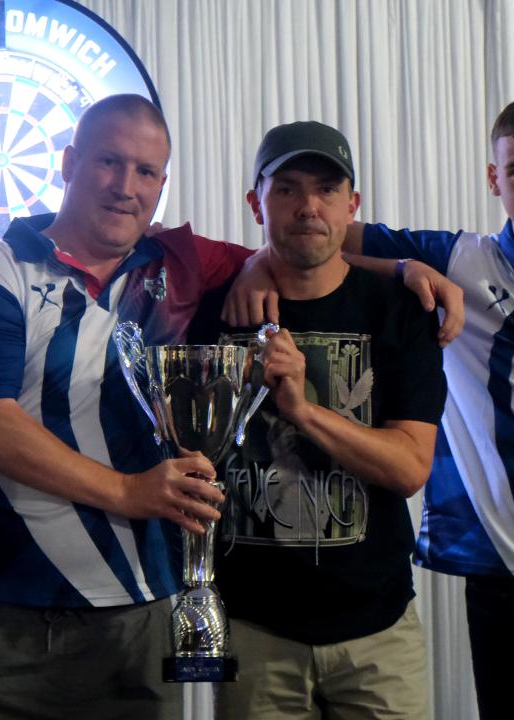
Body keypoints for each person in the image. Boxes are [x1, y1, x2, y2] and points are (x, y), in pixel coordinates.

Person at [226, 94, 514, 718]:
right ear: (494, 178)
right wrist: (257, 265)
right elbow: (311, 237)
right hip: (503, 580)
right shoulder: (458, 260)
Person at [0, 93, 257, 720]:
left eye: (146, 171)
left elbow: (305, 252)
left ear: (161, 184)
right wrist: (128, 491)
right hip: (4, 615)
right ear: (69, 162)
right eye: (109, 161)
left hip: (141, 615)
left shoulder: (181, 265)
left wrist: (406, 267)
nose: (125, 187)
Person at [203, 121, 447, 719]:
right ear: (255, 204)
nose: (308, 206)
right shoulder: (216, 311)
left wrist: (303, 412)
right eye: (286, 189)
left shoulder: (400, 310)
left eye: (327, 190)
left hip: (377, 633)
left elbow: (410, 468)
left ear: (352, 204)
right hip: (254, 631)